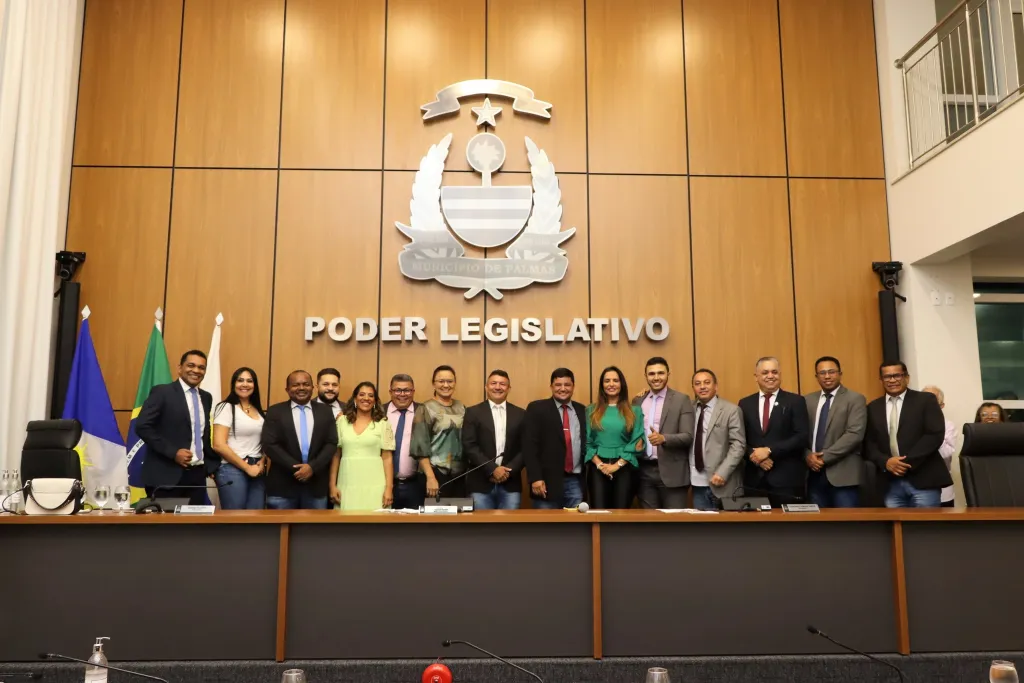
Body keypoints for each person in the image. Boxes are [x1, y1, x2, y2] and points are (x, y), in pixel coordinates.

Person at [136, 350, 220, 504]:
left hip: (196, 477)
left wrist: (210, 465)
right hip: (166, 475)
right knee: (167, 527)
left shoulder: (206, 397)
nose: (196, 370)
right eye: (191, 365)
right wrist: (173, 452)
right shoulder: (162, 392)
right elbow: (142, 426)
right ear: (180, 368)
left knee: (194, 527)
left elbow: (201, 435)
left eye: (201, 367)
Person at [864, 361, 950, 508]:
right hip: (889, 482)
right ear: (881, 380)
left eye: (897, 375)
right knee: (896, 529)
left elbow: (934, 434)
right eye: (887, 377)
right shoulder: (872, 407)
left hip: (923, 479)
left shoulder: (925, 400)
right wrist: (886, 462)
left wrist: (905, 462)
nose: (892, 380)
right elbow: (868, 443)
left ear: (907, 378)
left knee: (924, 529)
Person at [738, 357, 810, 507]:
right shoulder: (745, 403)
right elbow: (739, 439)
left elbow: (801, 436)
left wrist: (769, 451)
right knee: (755, 529)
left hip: (786, 480)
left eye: (774, 372)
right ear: (756, 377)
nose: (770, 376)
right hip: (754, 480)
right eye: (765, 372)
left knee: (788, 529)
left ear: (780, 375)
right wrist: (755, 456)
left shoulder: (795, 401)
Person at [261, 370, 338, 509]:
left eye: (306, 384)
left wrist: (312, 467)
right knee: (280, 530)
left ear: (312, 388)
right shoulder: (275, 411)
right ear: (287, 389)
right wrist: (297, 469)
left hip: (316, 486)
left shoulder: (325, 411)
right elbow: (269, 445)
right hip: (282, 487)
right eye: (296, 385)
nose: (301, 388)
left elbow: (331, 443)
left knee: (313, 530)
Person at [803, 356, 867, 508]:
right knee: (818, 528)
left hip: (843, 476)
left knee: (847, 527)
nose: (827, 376)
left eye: (831, 372)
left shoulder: (855, 399)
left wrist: (823, 457)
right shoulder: (807, 400)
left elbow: (854, 434)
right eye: (822, 373)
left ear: (840, 373)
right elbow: (800, 434)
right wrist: (807, 456)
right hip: (812, 475)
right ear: (816, 376)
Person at [631, 357, 695, 509]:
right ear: (645, 376)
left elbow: (688, 436)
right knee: (649, 525)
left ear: (668, 374)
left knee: (674, 525)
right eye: (652, 374)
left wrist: (663, 438)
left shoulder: (682, 400)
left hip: (673, 473)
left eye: (661, 373)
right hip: (644, 472)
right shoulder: (638, 401)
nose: (656, 377)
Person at [523, 368, 588, 509]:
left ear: (573, 386)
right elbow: (529, 447)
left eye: (567, 385)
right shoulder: (537, 408)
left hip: (575, 481)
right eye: (558, 385)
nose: (563, 389)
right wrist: (535, 478)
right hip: (545, 482)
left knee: (575, 528)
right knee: (546, 529)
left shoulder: (582, 410)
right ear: (551, 386)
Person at [462, 370, 526, 510]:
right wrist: (492, 469)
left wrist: (508, 471)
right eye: (493, 383)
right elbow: (469, 446)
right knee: (482, 530)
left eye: (502, 384)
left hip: (511, 484)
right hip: (480, 484)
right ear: (486, 387)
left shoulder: (521, 414)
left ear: (509, 388)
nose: (498, 387)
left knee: (509, 530)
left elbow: (525, 447)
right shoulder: (473, 412)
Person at [586, 367, 645, 509]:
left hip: (625, 467)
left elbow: (637, 440)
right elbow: (587, 442)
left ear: (621, 384)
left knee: (621, 513)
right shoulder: (591, 410)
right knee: (598, 512)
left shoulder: (635, 410)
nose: (611, 384)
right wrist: (600, 465)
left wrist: (616, 466)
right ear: (602, 385)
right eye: (607, 381)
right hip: (597, 467)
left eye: (615, 380)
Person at [330, 382, 395, 511]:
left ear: (375, 401)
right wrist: (332, 485)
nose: (366, 398)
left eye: (371, 395)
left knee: (375, 524)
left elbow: (387, 458)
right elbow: (336, 455)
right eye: (362, 394)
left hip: (375, 484)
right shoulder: (342, 421)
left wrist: (388, 489)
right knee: (346, 524)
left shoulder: (383, 423)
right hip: (347, 483)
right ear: (355, 398)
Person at [211, 367, 267, 509]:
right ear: (233, 384)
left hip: (257, 468)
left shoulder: (258, 410)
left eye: (249, 381)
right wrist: (247, 468)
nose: (245, 384)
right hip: (232, 468)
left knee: (256, 519)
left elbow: (265, 440)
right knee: (235, 520)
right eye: (240, 380)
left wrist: (263, 460)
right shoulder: (226, 407)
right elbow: (218, 445)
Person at [690, 369, 746, 510]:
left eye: (707, 382)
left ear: (716, 386)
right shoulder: (688, 409)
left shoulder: (731, 410)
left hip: (724, 483)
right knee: (703, 530)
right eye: (697, 383)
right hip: (697, 484)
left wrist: (723, 472)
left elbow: (738, 445)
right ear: (693, 388)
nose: (702, 386)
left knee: (728, 531)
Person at [411, 365, 467, 500]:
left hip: (459, 475)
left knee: (459, 519)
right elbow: (419, 448)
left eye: (450, 381)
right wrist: (430, 478)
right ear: (433, 383)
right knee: (437, 520)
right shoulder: (425, 409)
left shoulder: (461, 407)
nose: (446, 385)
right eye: (441, 381)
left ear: (455, 383)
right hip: (435, 475)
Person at [384, 374, 424, 509]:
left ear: (413, 392)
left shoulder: (423, 412)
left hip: (415, 485)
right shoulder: (378, 412)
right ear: (390, 392)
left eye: (407, 390)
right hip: (382, 484)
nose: (402, 394)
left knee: (415, 528)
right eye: (397, 390)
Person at [922, 385, 958, 507]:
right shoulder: (910, 424)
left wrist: (933, 433)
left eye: (932, 400)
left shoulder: (948, 425)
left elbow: (946, 453)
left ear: (942, 406)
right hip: (916, 486)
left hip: (942, 486)